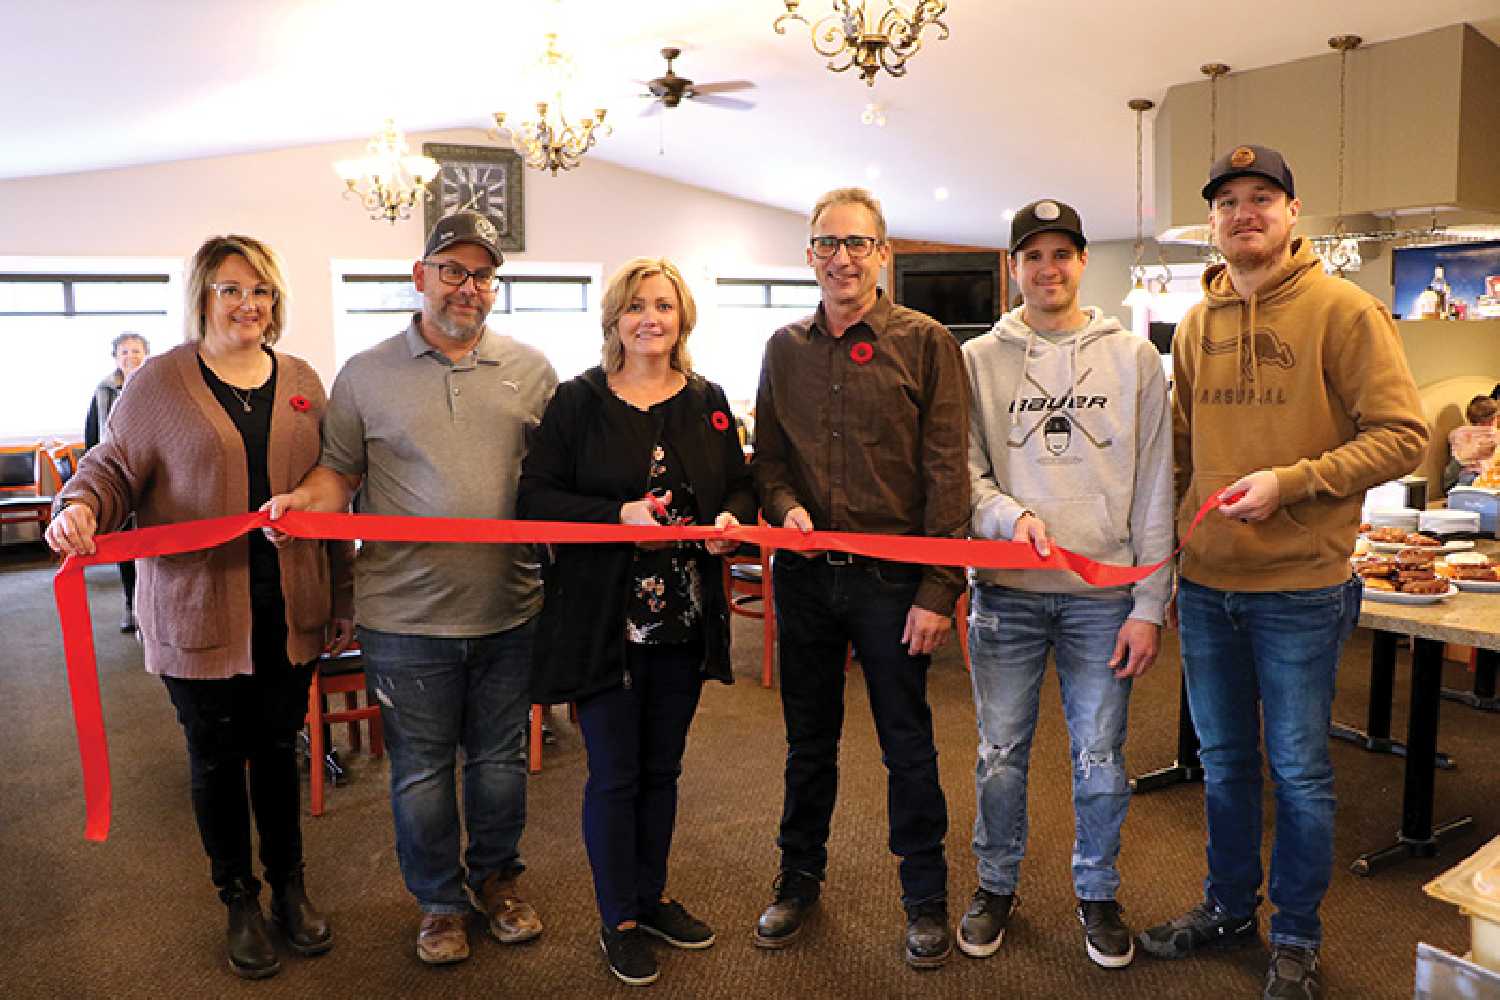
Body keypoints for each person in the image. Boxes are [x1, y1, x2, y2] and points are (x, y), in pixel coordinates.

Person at [1138, 145, 1428, 999]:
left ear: (1293, 213)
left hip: (1299, 587)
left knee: (1300, 771)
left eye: (1262, 197)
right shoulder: (1195, 323)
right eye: (1227, 202)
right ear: (1214, 223)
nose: (1243, 213)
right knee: (1224, 767)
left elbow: (1403, 434)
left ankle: (1296, 934)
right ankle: (1228, 907)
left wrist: (1292, 482)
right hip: (1206, 585)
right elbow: (1183, 449)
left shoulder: (1344, 310)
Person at [46, 235, 351, 979]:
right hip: (197, 610)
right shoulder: (158, 382)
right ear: (203, 297)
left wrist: (340, 594)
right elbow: (110, 468)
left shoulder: (305, 378)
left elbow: (332, 482)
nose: (249, 305)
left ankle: (290, 889)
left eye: (262, 292)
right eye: (231, 289)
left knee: (280, 752)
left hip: (288, 605)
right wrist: (80, 507)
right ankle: (237, 898)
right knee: (217, 759)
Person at [264, 211, 558, 966]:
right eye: (453, 271)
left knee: (499, 765)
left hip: (509, 607)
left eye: (483, 274)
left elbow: (560, 485)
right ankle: (438, 903)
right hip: (405, 615)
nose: (469, 287)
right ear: (419, 277)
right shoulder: (365, 373)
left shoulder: (532, 371)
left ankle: (497, 881)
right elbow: (338, 474)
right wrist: (304, 503)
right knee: (422, 773)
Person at [517, 257, 756, 986]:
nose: (649, 318)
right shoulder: (577, 401)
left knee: (663, 769)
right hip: (602, 624)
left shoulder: (709, 400)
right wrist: (614, 515)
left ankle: (652, 898)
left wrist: (731, 523)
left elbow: (742, 486)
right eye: (635, 307)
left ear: (682, 317)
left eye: (663, 304)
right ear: (613, 320)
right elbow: (535, 501)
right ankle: (618, 916)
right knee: (615, 774)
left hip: (684, 622)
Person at [751, 186, 970, 968]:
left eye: (857, 243)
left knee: (906, 745)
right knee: (808, 743)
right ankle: (797, 881)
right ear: (809, 255)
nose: (841, 257)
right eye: (826, 244)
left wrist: (939, 589)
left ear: (883, 253)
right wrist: (782, 506)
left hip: (893, 585)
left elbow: (949, 476)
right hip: (808, 582)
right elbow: (767, 459)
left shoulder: (927, 342)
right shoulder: (783, 348)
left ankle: (924, 899)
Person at [958, 199, 1173, 968]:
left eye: (1062, 254)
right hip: (1007, 595)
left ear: (1082, 263)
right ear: (1013, 267)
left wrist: (1150, 603)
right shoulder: (978, 359)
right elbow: (968, 473)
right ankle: (994, 885)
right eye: (1032, 256)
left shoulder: (1135, 359)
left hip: (1103, 597)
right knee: (999, 754)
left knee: (1101, 758)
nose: (1048, 270)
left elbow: (1156, 485)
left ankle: (1097, 892)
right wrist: (1003, 518)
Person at [83, 331, 150, 632]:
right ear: (116, 358)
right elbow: (91, 438)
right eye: (124, 352)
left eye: (136, 351)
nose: (131, 357)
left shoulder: (157, 386)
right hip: (119, 476)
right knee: (125, 544)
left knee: (152, 544)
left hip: (152, 476)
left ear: (146, 354)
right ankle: (131, 604)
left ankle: (152, 608)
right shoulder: (104, 390)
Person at [1447, 395, 1498, 490]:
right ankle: (1460, 494)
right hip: (1470, 473)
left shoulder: (1495, 434)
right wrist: (1479, 450)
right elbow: (1461, 455)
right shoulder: (1463, 433)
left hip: (1491, 474)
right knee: (1469, 479)